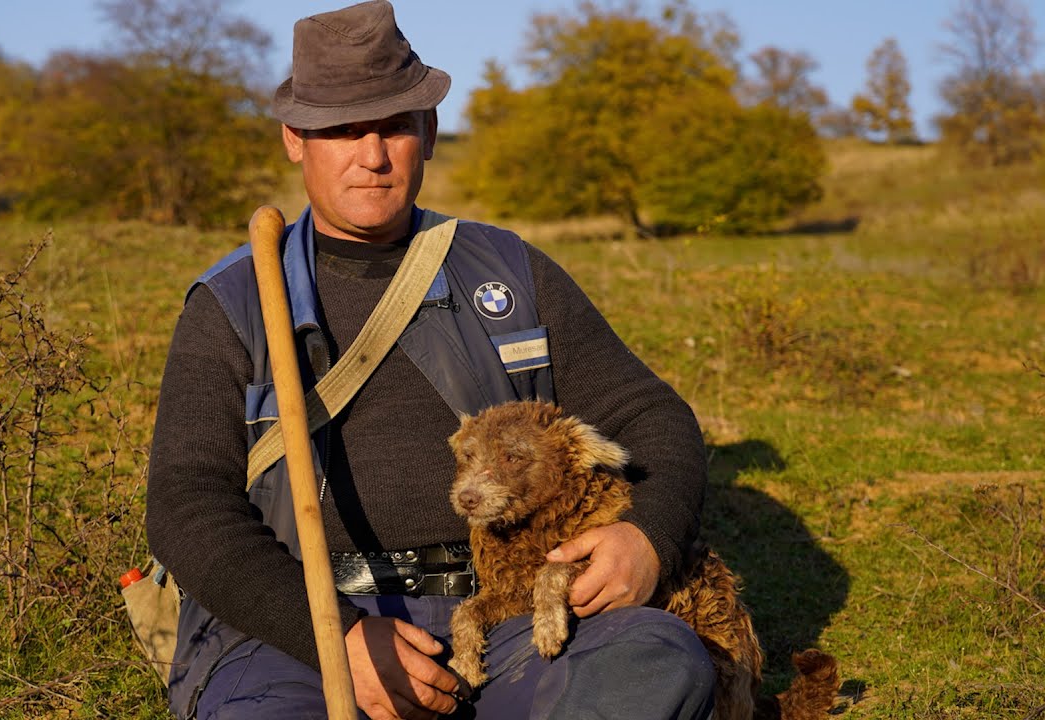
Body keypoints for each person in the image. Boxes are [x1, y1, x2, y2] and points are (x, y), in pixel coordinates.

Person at [146, 2, 715, 718]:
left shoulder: (508, 270)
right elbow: (185, 504)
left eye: (394, 127)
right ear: (295, 139)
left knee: (652, 666)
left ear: (431, 131)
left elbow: (652, 417)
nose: (373, 155)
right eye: (343, 131)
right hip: (297, 631)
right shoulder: (231, 303)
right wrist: (338, 640)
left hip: (507, 614)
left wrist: (647, 537)